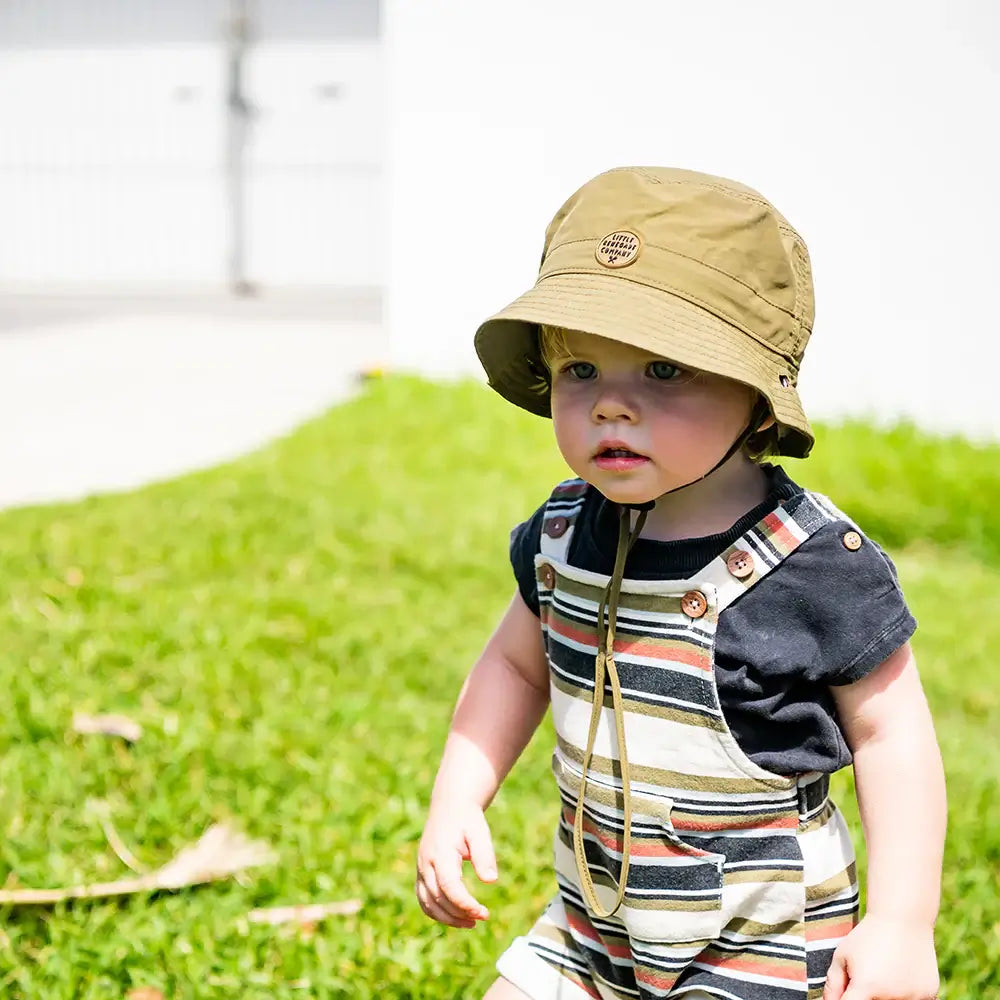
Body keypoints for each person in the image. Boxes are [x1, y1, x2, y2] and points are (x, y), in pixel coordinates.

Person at [415, 166, 945, 1000]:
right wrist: (457, 797)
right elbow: (516, 667)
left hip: (761, 939)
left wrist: (904, 921)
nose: (611, 406)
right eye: (581, 370)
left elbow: (892, 737)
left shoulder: (809, 563)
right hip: (595, 923)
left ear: (757, 401)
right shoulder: (564, 534)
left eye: (663, 372)